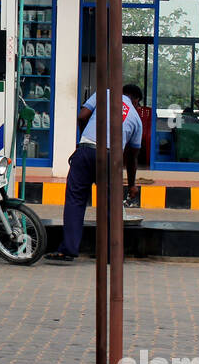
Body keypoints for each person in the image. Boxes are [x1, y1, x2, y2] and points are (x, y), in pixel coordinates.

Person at [44, 82, 143, 262]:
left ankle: (68, 249)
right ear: (136, 100)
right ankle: (108, 253)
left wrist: (85, 140)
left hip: (85, 151)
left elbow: (82, 116)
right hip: (111, 158)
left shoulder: (104, 93)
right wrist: (132, 185)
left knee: (75, 200)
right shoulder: (136, 117)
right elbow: (132, 158)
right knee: (110, 205)